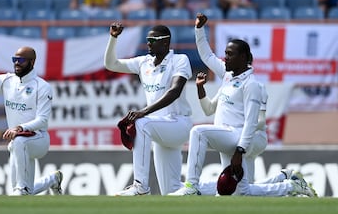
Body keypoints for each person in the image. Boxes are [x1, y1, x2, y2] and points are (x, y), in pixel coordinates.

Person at [168, 13, 317, 197]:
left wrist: (240, 151)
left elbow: (252, 123)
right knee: (238, 192)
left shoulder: (252, 85)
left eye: (230, 55)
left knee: (198, 132)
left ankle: (191, 187)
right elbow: (207, 56)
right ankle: (288, 184)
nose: (225, 58)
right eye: (225, 54)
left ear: (244, 57)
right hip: (226, 135)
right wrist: (199, 30)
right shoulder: (228, 75)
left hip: (237, 136)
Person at [104, 22, 193, 195]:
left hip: (178, 123)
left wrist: (143, 112)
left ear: (166, 42)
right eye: (147, 40)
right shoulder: (143, 62)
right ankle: (211, 188)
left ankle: (140, 186)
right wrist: (113, 38)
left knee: (141, 123)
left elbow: (174, 91)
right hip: (159, 127)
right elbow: (111, 64)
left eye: (153, 40)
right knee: (172, 191)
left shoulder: (180, 60)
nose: (149, 43)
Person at [0, 42, 63, 196]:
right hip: (17, 142)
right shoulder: (7, 81)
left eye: (21, 60)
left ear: (32, 62)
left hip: (38, 139)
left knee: (20, 187)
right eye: (15, 59)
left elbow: (42, 120)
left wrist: (20, 128)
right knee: (24, 190)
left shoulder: (42, 86)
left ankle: (22, 188)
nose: (16, 63)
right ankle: (52, 180)